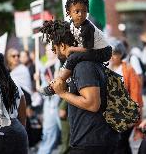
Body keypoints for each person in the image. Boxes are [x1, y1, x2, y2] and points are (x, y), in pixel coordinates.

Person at [40, 20, 119, 154]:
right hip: (90, 141)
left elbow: (93, 103)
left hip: (92, 143)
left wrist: (63, 93)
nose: (54, 51)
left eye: (55, 47)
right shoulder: (81, 64)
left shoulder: (83, 66)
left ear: (63, 45)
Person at [41, 0, 112, 95]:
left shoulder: (87, 28)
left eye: (84, 11)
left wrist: (70, 49)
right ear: (69, 13)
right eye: (77, 11)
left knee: (74, 57)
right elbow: (62, 29)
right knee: (70, 57)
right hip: (90, 50)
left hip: (102, 51)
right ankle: (60, 81)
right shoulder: (71, 24)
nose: (80, 14)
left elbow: (88, 49)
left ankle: (58, 83)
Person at [109, 39, 143, 154]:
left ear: (120, 54)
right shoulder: (105, 68)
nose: (112, 57)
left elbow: (135, 93)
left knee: (120, 141)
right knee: (119, 144)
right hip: (110, 113)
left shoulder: (128, 70)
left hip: (125, 112)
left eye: (115, 54)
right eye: (110, 53)